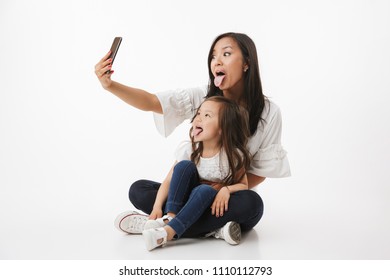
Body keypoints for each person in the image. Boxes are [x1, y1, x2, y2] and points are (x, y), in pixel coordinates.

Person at [95, 32, 291, 244]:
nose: (217, 61)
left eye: (226, 54)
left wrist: (220, 189)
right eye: (213, 57)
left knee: (252, 205)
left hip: (224, 199)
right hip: (189, 192)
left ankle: (160, 225)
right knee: (139, 190)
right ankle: (210, 229)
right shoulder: (204, 98)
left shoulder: (269, 112)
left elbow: (259, 174)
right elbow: (152, 101)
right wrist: (110, 85)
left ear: (246, 64)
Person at [142, 96, 251, 250]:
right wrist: (157, 207)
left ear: (223, 128)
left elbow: (244, 185)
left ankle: (167, 231)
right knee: (141, 187)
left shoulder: (232, 156)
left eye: (207, 115)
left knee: (248, 201)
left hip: (213, 207)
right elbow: (168, 181)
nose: (198, 118)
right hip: (183, 202)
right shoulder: (188, 150)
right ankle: (171, 219)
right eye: (198, 113)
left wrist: (226, 189)